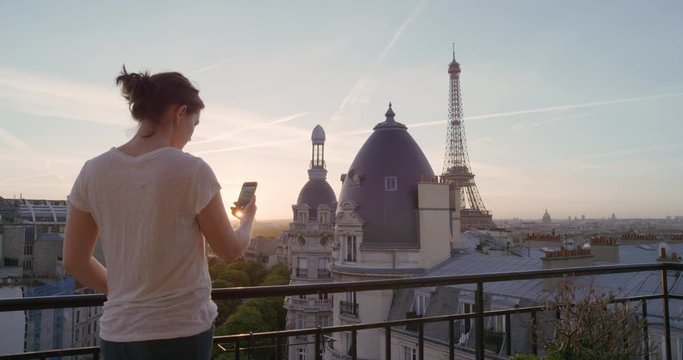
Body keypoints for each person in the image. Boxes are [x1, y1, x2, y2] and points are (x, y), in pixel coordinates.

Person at [63, 67, 256, 359]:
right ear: (179, 113)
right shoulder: (191, 170)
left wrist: (124, 294)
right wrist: (248, 219)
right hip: (178, 332)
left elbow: (74, 260)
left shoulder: (93, 170)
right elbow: (229, 250)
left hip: (117, 335)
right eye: (195, 124)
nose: (191, 136)